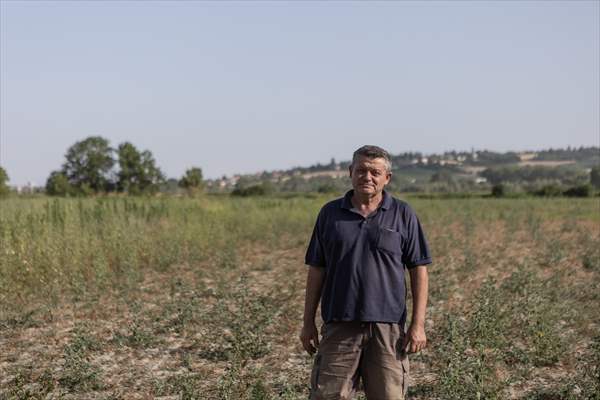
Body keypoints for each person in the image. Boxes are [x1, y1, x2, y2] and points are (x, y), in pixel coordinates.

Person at [300, 145, 432, 400]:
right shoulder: (330, 214)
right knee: (328, 396)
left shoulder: (403, 214)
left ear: (387, 178)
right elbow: (317, 269)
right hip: (339, 325)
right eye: (361, 170)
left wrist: (418, 324)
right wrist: (307, 323)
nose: (367, 177)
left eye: (375, 172)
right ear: (350, 172)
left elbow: (419, 270)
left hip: (388, 329)